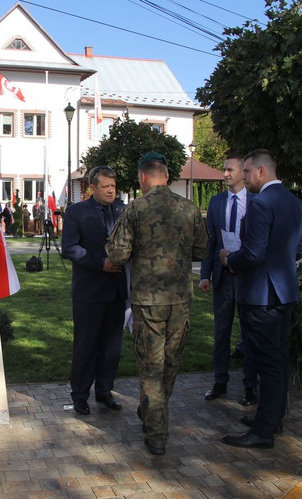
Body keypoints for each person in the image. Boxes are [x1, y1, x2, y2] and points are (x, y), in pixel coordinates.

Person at [105, 152, 207, 455]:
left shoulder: (136, 209)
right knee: (170, 365)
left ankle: (156, 434)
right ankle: (154, 412)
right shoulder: (189, 208)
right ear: (166, 175)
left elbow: (117, 254)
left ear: (143, 177)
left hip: (148, 303)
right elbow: (202, 249)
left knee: (151, 368)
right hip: (180, 301)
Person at [219, 149, 302, 450]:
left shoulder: (260, 204)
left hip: (260, 296)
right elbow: (295, 251)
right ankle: (272, 417)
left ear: (260, 172)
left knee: (267, 362)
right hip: (284, 293)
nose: (243, 177)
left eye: (246, 172)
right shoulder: (295, 203)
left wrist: (230, 259)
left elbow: (254, 253)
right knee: (278, 360)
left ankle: (264, 431)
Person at [62, 166, 128, 416]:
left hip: (116, 292)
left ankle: (104, 391)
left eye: (113, 186)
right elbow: (70, 248)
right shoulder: (77, 212)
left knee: (112, 348)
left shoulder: (123, 210)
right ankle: (80, 395)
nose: (111, 190)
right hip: (89, 293)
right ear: (92, 187)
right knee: (86, 346)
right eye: (105, 186)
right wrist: (101, 264)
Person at [198, 155, 258, 405]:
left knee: (250, 333)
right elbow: (211, 242)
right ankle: (220, 380)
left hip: (247, 278)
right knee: (221, 332)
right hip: (222, 278)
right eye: (224, 170)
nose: (225, 174)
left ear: (243, 173)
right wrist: (205, 275)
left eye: (230, 170)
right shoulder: (216, 202)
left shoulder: (256, 201)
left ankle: (250, 385)